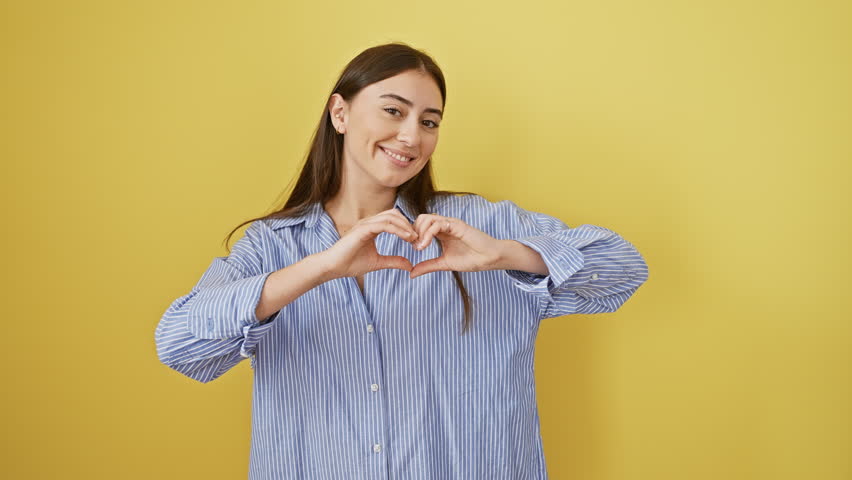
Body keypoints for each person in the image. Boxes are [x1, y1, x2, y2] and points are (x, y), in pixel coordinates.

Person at [154, 42, 649, 479]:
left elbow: (623, 269)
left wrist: (505, 254)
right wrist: (323, 267)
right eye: (394, 111)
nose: (413, 136)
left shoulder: (478, 224)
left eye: (429, 122)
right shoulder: (271, 247)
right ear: (340, 113)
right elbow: (180, 345)